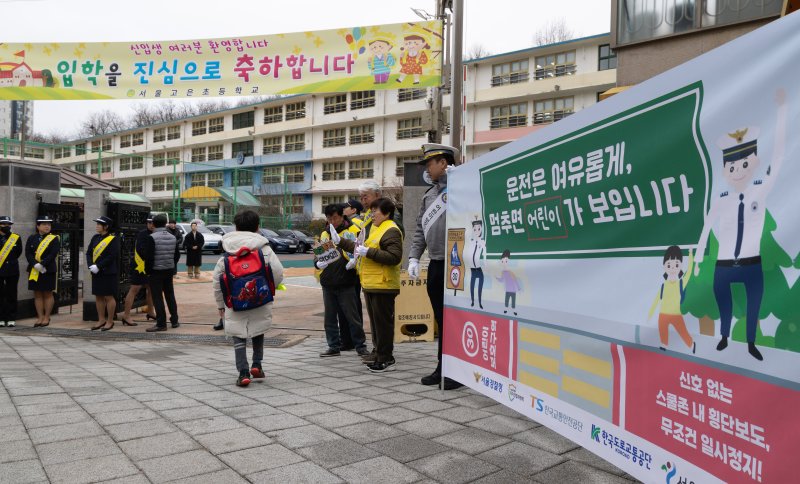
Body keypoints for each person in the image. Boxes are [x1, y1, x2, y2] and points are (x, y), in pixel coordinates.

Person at [694, 89, 787, 362]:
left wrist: (782, 112)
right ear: (725, 171)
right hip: (723, 264)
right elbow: (706, 228)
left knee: (753, 305)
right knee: (723, 301)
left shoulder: (760, 189)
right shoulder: (722, 200)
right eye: (732, 167)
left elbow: (779, 157)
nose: (739, 171)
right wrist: (699, 258)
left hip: (752, 262)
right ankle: (723, 336)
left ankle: (750, 342)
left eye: (744, 164)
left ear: (754, 162)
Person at [408, 143, 463, 390]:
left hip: (460, 265)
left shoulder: (464, 187)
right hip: (437, 264)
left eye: (430, 163)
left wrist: (457, 185)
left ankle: (457, 370)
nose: (427, 169)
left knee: (456, 319)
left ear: (444, 163)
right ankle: (443, 366)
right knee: (441, 319)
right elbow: (420, 229)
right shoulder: (429, 195)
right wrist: (413, 257)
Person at [212, 209, 284, 386]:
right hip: (260, 297)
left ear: (236, 227)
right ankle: (257, 365)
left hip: (235, 301)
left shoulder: (228, 250)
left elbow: (217, 280)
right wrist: (268, 288)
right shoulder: (264, 249)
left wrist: (221, 304)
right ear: (257, 227)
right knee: (258, 330)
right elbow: (278, 273)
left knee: (239, 334)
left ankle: (243, 372)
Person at [334, 198, 402, 373]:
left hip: (384, 283)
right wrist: (340, 241)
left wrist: (369, 252)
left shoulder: (391, 230)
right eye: (371, 212)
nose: (372, 215)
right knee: (375, 323)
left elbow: (394, 257)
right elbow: (358, 247)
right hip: (371, 282)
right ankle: (378, 352)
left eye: (375, 212)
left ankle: (387, 358)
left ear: (386, 213)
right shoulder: (374, 228)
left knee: (383, 324)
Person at [315, 204, 368, 358]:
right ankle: (333, 346)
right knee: (330, 318)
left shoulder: (352, 230)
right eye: (329, 218)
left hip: (347, 281)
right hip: (328, 281)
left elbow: (361, 251)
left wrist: (354, 263)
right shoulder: (325, 234)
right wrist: (318, 264)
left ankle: (360, 346)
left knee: (353, 317)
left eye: (335, 218)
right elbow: (318, 256)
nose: (332, 221)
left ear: (342, 216)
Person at [648, 246, 696, 353]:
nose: (673, 268)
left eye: (676, 265)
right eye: (669, 265)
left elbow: (689, 272)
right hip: (663, 314)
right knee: (662, 328)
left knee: (682, 331)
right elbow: (656, 300)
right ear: (664, 266)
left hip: (676, 314)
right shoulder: (663, 285)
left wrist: (691, 254)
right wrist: (650, 313)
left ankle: (691, 344)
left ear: (680, 266)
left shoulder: (681, 283)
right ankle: (664, 343)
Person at [143, 214, 180, 332]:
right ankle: (174, 321)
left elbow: (148, 257)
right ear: (165, 224)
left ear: (153, 224)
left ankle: (161, 323)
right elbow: (177, 255)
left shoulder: (152, 237)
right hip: (169, 270)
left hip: (155, 271)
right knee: (170, 295)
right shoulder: (172, 237)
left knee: (157, 297)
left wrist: (148, 271)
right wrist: (171, 264)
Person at [118, 214, 156, 326]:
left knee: (151, 289)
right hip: (140, 266)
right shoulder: (142, 234)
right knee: (134, 289)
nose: (151, 225)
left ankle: (151, 312)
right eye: (149, 223)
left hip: (149, 266)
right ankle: (126, 315)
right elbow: (142, 251)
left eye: (153, 223)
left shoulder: (155, 233)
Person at [86, 216, 120, 331]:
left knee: (108, 297)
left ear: (106, 227)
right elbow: (88, 253)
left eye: (99, 224)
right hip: (96, 272)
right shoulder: (95, 237)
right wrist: (91, 265)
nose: (97, 226)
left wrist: (99, 266)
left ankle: (110, 321)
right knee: (98, 296)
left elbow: (112, 256)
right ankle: (101, 319)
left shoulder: (113, 239)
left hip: (108, 272)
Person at [25, 215, 60, 328]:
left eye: (49, 224)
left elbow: (53, 254)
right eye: (44, 224)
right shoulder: (32, 238)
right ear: (38, 226)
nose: (47, 226)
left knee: (47, 293)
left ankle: (46, 316)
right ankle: (40, 317)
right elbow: (28, 253)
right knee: (38, 294)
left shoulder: (54, 238)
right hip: (34, 270)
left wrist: (42, 264)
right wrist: (35, 264)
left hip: (47, 270)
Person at [0, 215, 23, 328]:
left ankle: (11, 318)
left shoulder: (16, 237)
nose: (7, 226)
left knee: (12, 294)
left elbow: (18, 252)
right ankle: (1, 318)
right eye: (4, 224)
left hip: (12, 269)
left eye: (8, 224)